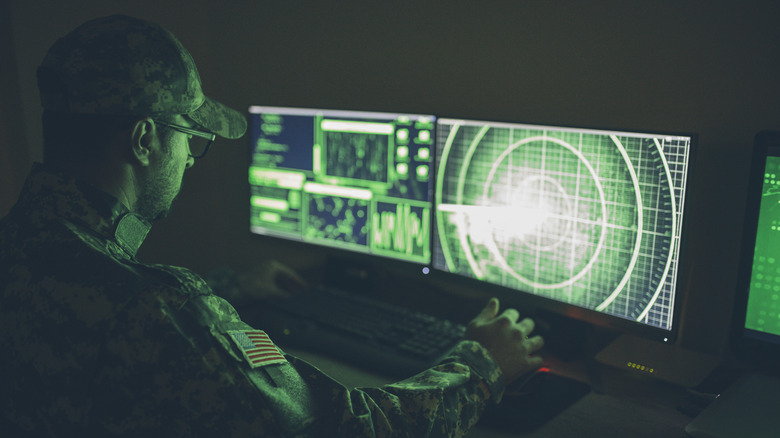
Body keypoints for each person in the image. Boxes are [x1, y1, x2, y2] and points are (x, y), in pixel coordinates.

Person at [0, 15, 544, 437]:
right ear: (144, 140)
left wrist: (231, 289)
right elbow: (349, 427)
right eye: (190, 136)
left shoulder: (20, 244)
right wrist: (483, 364)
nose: (191, 158)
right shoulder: (160, 309)